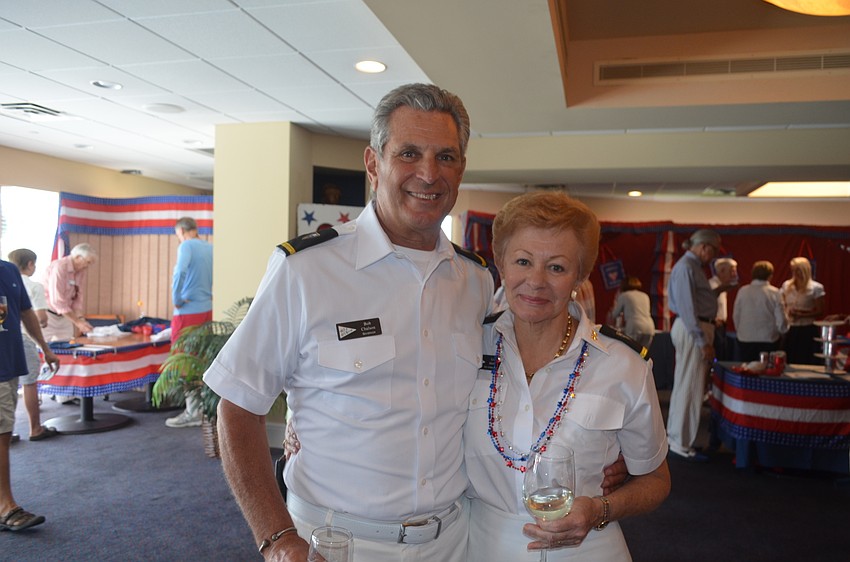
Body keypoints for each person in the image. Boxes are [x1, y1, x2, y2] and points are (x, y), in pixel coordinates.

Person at [203, 83, 628, 562]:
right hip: (338, 542)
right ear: (373, 164)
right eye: (409, 153)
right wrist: (277, 539)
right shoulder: (306, 271)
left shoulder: (476, 281)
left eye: (445, 157)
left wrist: (597, 451)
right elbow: (236, 407)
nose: (428, 173)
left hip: (453, 540)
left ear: (460, 170)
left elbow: (517, 381)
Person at [464, 191, 670, 560]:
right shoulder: (465, 348)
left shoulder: (623, 365)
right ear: (501, 265)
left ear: (581, 275)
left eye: (556, 267)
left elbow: (655, 480)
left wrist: (600, 509)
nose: (536, 281)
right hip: (481, 547)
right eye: (523, 261)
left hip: (586, 550)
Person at [1, 259, 60, 532]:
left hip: (8, 363)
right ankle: (5, 507)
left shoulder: (9, 270)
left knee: (4, 430)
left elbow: (25, 312)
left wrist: (45, 348)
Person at [666, 229, 723, 463]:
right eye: (713, 251)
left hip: (694, 327)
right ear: (704, 247)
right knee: (691, 386)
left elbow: (695, 302)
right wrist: (702, 341)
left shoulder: (690, 266)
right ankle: (681, 442)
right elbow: (688, 308)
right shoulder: (687, 267)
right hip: (693, 329)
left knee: (686, 384)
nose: (713, 257)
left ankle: (676, 438)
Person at [164, 217, 213, 429]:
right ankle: (201, 408)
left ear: (183, 231)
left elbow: (180, 272)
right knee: (200, 359)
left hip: (187, 311)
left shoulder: (186, 246)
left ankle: (193, 411)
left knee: (184, 360)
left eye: (178, 236)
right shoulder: (210, 248)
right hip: (207, 310)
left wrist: (176, 298)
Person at [7, 249, 59, 441]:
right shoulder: (34, 286)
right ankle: (35, 428)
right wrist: (45, 347)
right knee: (29, 383)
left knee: (7, 385)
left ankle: (6, 431)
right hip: (24, 338)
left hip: (6, 340)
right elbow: (40, 318)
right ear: (30, 264)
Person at [733, 261, 789, 362]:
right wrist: (783, 330)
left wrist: (741, 330)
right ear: (770, 276)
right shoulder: (775, 292)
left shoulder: (742, 291)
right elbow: (780, 318)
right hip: (768, 338)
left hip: (745, 338)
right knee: (767, 368)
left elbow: (736, 315)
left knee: (747, 367)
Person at [43, 242, 97, 341]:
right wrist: (77, 322)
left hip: (66, 315)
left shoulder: (81, 271)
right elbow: (57, 301)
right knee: (44, 347)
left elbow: (78, 297)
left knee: (68, 345)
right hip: (48, 316)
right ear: (78, 257)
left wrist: (81, 319)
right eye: (88, 262)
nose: (88, 266)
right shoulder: (60, 267)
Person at [780, 256, 825, 365]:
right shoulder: (787, 285)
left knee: (806, 358)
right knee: (790, 358)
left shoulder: (816, 288)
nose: (795, 273)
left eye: (798, 270)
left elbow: (820, 311)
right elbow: (781, 304)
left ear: (805, 270)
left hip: (807, 328)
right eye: (793, 270)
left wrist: (802, 315)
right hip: (790, 328)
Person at [609, 275, 655, 349]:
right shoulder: (645, 295)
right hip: (649, 328)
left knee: (631, 351)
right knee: (644, 353)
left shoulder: (624, 295)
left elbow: (615, 314)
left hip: (634, 327)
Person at [708, 257, 738, 361]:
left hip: (721, 327)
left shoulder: (722, 286)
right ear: (721, 271)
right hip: (714, 327)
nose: (735, 275)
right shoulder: (712, 286)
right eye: (732, 271)